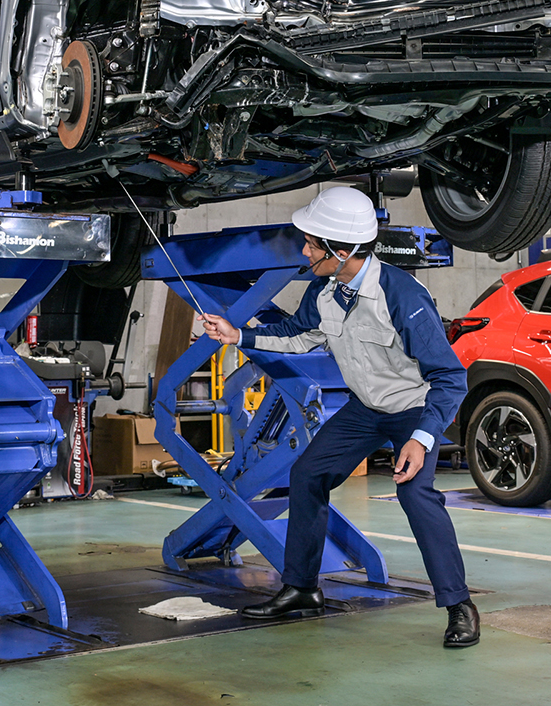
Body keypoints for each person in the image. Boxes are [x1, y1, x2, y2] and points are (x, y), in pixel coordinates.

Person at [200, 185, 479, 648]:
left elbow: (450, 378)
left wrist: (423, 437)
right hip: (365, 410)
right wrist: (238, 336)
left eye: (312, 244)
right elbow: (296, 335)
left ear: (341, 250)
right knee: (308, 473)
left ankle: (458, 604)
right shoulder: (325, 292)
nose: (305, 251)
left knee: (416, 495)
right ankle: (302, 588)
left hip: (413, 408)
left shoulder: (401, 295)